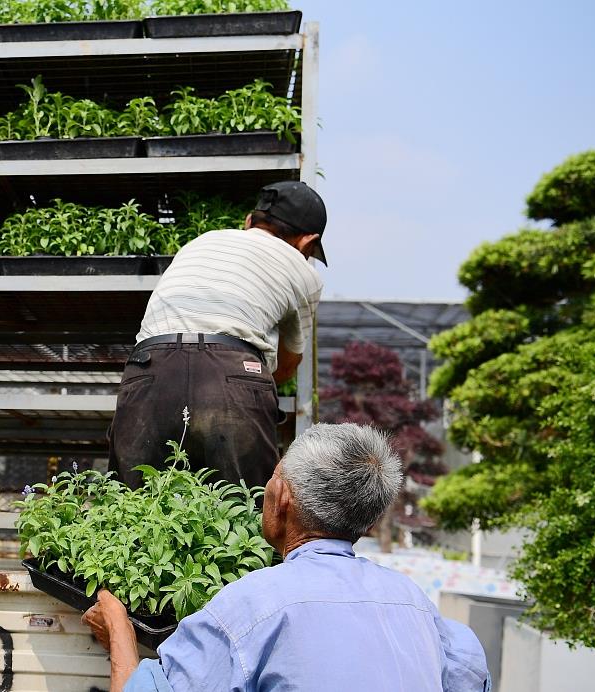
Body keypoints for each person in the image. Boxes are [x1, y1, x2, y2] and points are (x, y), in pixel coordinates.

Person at [84, 423, 491, 692]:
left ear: (281, 500)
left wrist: (119, 632)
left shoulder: (253, 605)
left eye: (273, 479)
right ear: (370, 519)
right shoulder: (414, 601)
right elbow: (471, 674)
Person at [108, 181, 326, 490]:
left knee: (131, 510)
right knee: (242, 512)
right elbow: (289, 367)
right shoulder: (306, 275)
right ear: (307, 243)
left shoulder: (204, 240)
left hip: (149, 368)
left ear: (249, 222)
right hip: (231, 372)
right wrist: (240, 381)